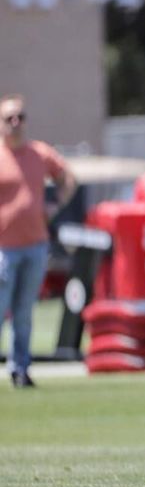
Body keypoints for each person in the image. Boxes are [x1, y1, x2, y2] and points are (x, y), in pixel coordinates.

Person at [0, 94, 77, 387]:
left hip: (34, 244)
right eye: (9, 118)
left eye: (20, 117)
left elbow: (68, 178)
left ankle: (20, 368)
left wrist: (55, 205)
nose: (15, 123)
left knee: (24, 312)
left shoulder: (39, 153)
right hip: (3, 247)